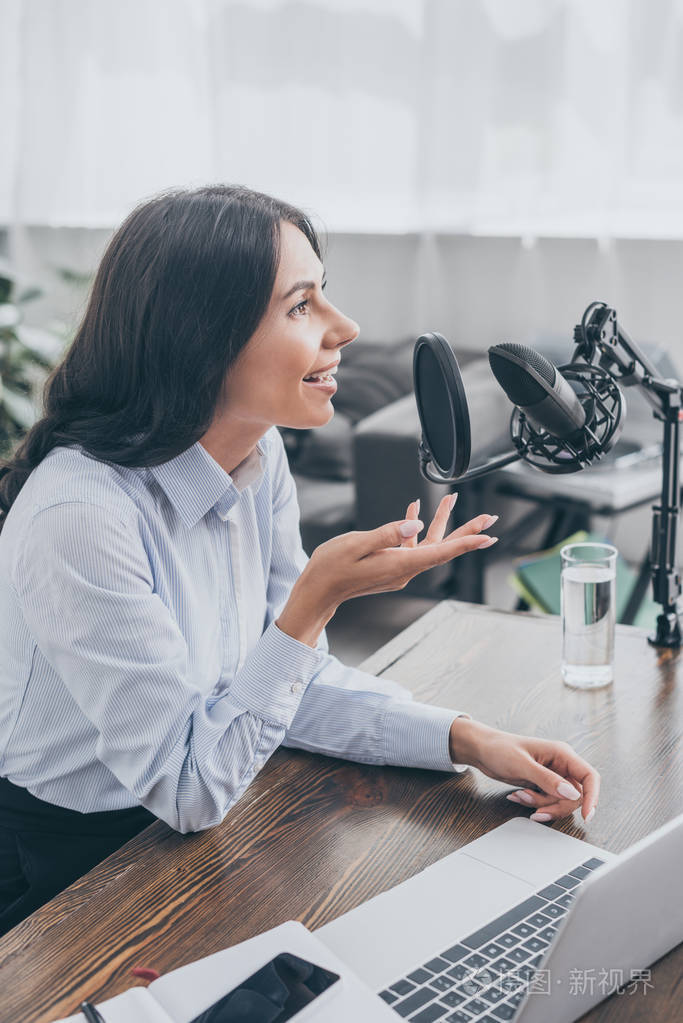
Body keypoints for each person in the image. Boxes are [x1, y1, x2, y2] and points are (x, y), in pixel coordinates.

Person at [0, 185, 599, 936]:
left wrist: (465, 738)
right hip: (75, 873)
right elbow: (188, 788)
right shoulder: (82, 517)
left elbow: (279, 685)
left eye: (325, 296)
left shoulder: (257, 453)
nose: (344, 328)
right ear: (200, 338)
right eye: (300, 305)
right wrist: (314, 600)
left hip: (202, 822)